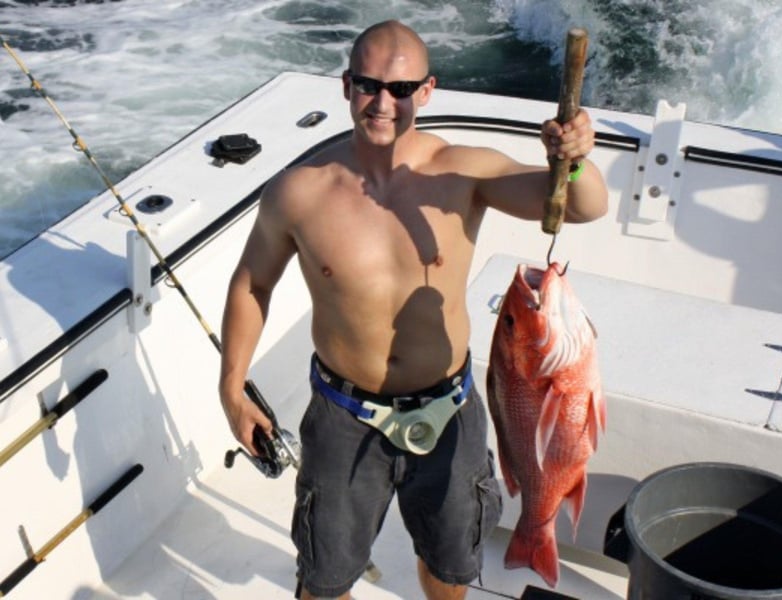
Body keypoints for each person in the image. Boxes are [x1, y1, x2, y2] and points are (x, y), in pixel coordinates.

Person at [218, 19, 608, 600]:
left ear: (426, 91)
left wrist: (574, 161)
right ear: (346, 85)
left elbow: (583, 207)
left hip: (448, 408)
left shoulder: (463, 171)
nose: (383, 103)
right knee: (323, 579)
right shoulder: (298, 191)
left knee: (450, 569)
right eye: (369, 85)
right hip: (342, 416)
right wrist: (232, 386)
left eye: (400, 89)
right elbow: (252, 284)